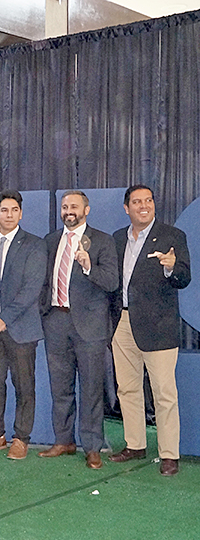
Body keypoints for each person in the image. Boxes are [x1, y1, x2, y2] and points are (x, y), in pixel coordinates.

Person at [109, 185, 190, 476]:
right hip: (123, 324)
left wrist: (171, 267)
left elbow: (184, 278)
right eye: (137, 202)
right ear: (126, 207)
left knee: (164, 393)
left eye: (148, 201)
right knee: (127, 388)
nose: (144, 206)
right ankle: (135, 444)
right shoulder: (118, 238)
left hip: (159, 328)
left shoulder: (172, 236)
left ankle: (169, 454)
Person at [39, 190, 119, 469]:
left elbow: (111, 282)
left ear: (87, 209)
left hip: (90, 327)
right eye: (64, 207)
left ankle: (92, 446)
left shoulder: (102, 241)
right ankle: (64, 440)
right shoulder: (50, 241)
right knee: (60, 387)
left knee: (92, 389)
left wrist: (88, 268)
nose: (68, 211)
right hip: (56, 322)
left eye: (74, 206)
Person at [0, 190, 47, 460]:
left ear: (21, 213)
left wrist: (4, 318)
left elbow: (32, 289)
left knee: (24, 385)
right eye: (4, 210)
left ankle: (21, 438)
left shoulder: (34, 245)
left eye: (14, 210)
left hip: (20, 328)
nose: (9, 214)